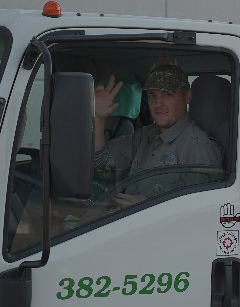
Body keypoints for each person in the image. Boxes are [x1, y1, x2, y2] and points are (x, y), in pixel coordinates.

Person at [93, 64, 222, 205]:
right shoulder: (144, 136)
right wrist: (99, 117)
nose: (158, 104)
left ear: (187, 96)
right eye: (152, 96)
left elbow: (204, 210)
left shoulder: (199, 147)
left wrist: (148, 207)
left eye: (168, 94)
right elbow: (100, 160)